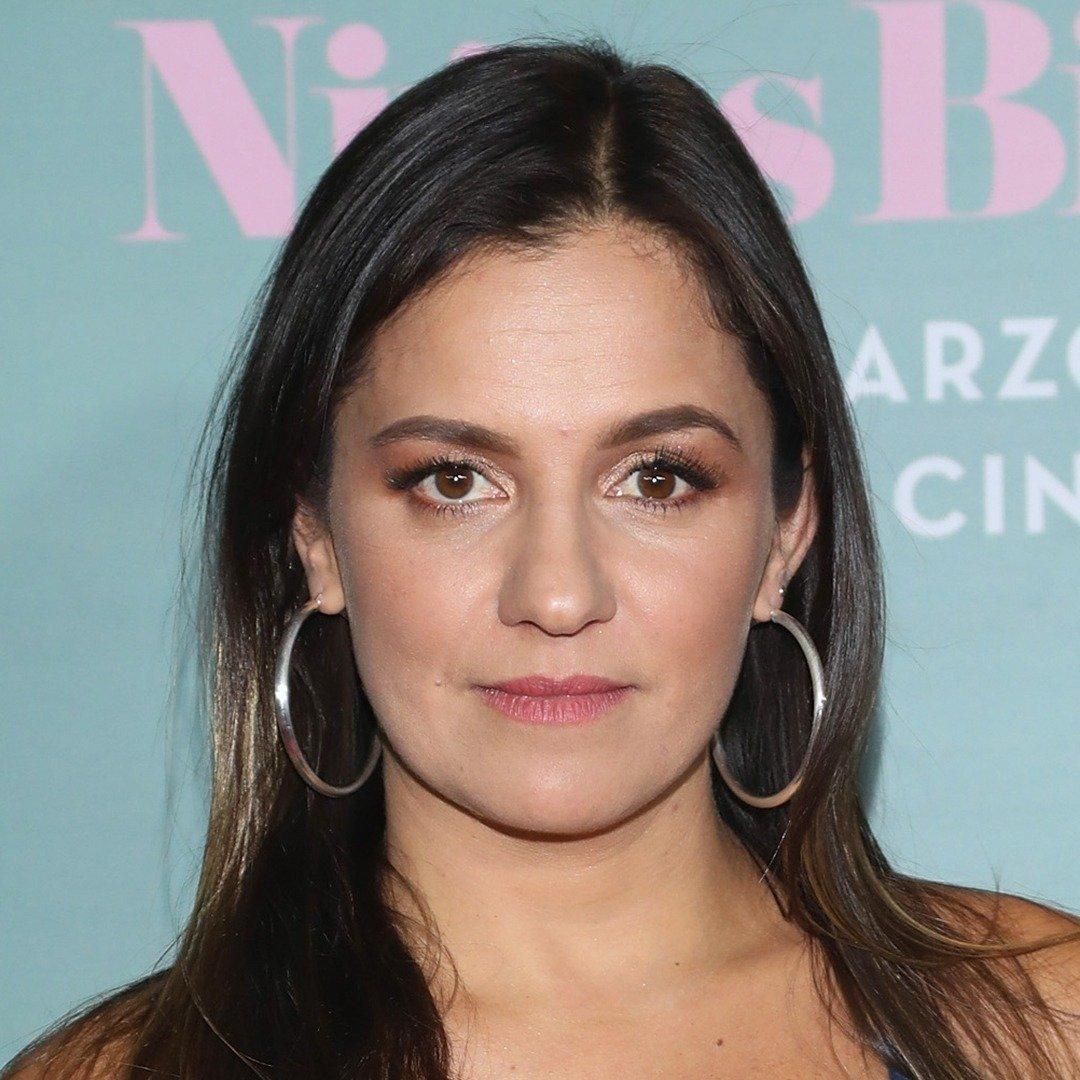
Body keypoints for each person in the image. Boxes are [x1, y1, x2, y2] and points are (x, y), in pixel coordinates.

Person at [5, 34, 1079, 1080]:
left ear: (786, 534)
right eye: (452, 481)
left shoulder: (1044, 1027)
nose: (559, 594)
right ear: (315, 536)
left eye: (656, 479)